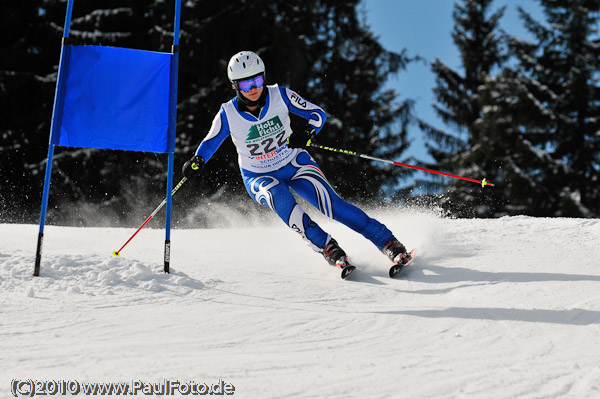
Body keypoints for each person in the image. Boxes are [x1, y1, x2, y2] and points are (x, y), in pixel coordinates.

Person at [182, 50, 409, 272]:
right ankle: (329, 249)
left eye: (257, 80)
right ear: (234, 86)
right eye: (244, 84)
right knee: (282, 201)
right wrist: (197, 160)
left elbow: (317, 114)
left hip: (294, 162)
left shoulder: (279, 95)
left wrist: (307, 132)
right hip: (259, 175)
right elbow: (210, 142)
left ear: (264, 77)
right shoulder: (227, 113)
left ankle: (388, 243)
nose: (253, 89)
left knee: (333, 206)